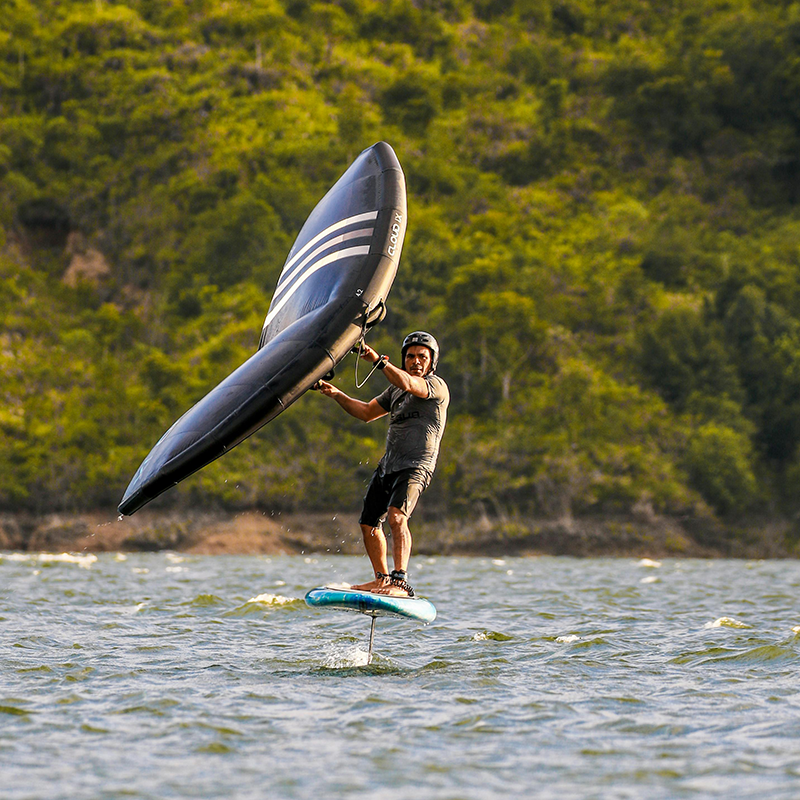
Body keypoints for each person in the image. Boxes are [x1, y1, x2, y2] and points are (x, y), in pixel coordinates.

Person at [315, 331, 449, 598]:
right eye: (410, 356)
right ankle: (381, 580)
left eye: (422, 357)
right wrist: (335, 393)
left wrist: (377, 360)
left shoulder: (436, 386)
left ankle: (400, 582)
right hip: (389, 465)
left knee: (397, 517)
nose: (416, 361)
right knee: (369, 524)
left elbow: (412, 385)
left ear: (431, 362)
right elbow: (366, 413)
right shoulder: (395, 389)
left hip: (416, 466)